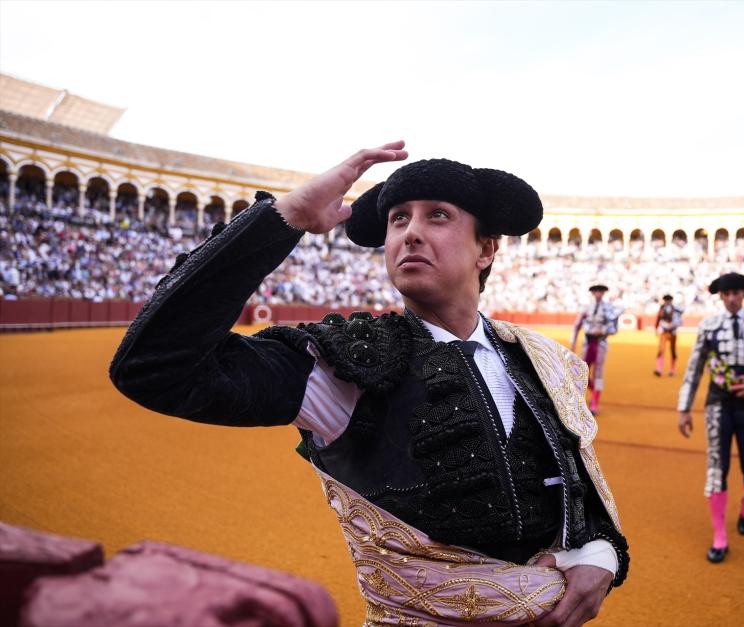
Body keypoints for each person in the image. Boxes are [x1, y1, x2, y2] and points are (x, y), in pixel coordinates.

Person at [110, 143, 629, 626]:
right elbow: (155, 366)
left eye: (438, 216)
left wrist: (599, 553)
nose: (410, 232)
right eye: (398, 219)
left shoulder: (539, 360)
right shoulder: (348, 365)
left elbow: (580, 488)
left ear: (486, 249)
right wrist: (282, 218)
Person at [676, 272, 744, 563]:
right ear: (721, 297)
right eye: (727, 294)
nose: (732, 298)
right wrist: (684, 408)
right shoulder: (709, 327)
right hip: (718, 403)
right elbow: (694, 368)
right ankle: (719, 536)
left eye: (737, 293)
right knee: (717, 467)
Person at [571, 284, 624, 415]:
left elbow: (614, 329)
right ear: (593, 293)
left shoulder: (609, 308)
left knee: (598, 373)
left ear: (604, 292)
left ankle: (594, 404)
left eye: (600, 291)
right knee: (582, 372)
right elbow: (577, 325)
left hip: (600, 343)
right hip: (587, 343)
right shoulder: (586, 308)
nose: (598, 293)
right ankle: (593, 391)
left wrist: (604, 331)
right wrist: (573, 343)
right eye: (596, 291)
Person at [653, 294, 683, 377]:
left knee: (672, 350)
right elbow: (658, 318)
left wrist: (673, 325)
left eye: (668, 300)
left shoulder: (676, 309)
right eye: (666, 300)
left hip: (672, 332)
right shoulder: (662, 308)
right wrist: (656, 328)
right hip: (664, 331)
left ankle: (672, 369)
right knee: (661, 349)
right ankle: (659, 369)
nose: (667, 302)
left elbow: (679, 321)